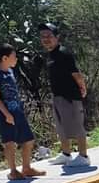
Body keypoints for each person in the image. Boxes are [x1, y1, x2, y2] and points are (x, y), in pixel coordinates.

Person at [0, 44, 45, 182]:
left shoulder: (10, 72)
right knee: (10, 142)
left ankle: (26, 168)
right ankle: (13, 171)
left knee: (28, 139)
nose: (16, 59)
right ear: (5, 58)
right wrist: (7, 114)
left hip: (17, 111)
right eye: (14, 57)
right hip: (6, 113)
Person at [38, 23, 91, 167]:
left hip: (70, 96)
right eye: (43, 36)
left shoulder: (63, 53)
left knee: (77, 126)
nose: (46, 39)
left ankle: (83, 156)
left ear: (57, 37)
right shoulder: (50, 55)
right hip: (58, 96)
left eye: (49, 36)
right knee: (61, 127)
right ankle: (66, 154)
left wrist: (82, 88)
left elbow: (76, 74)